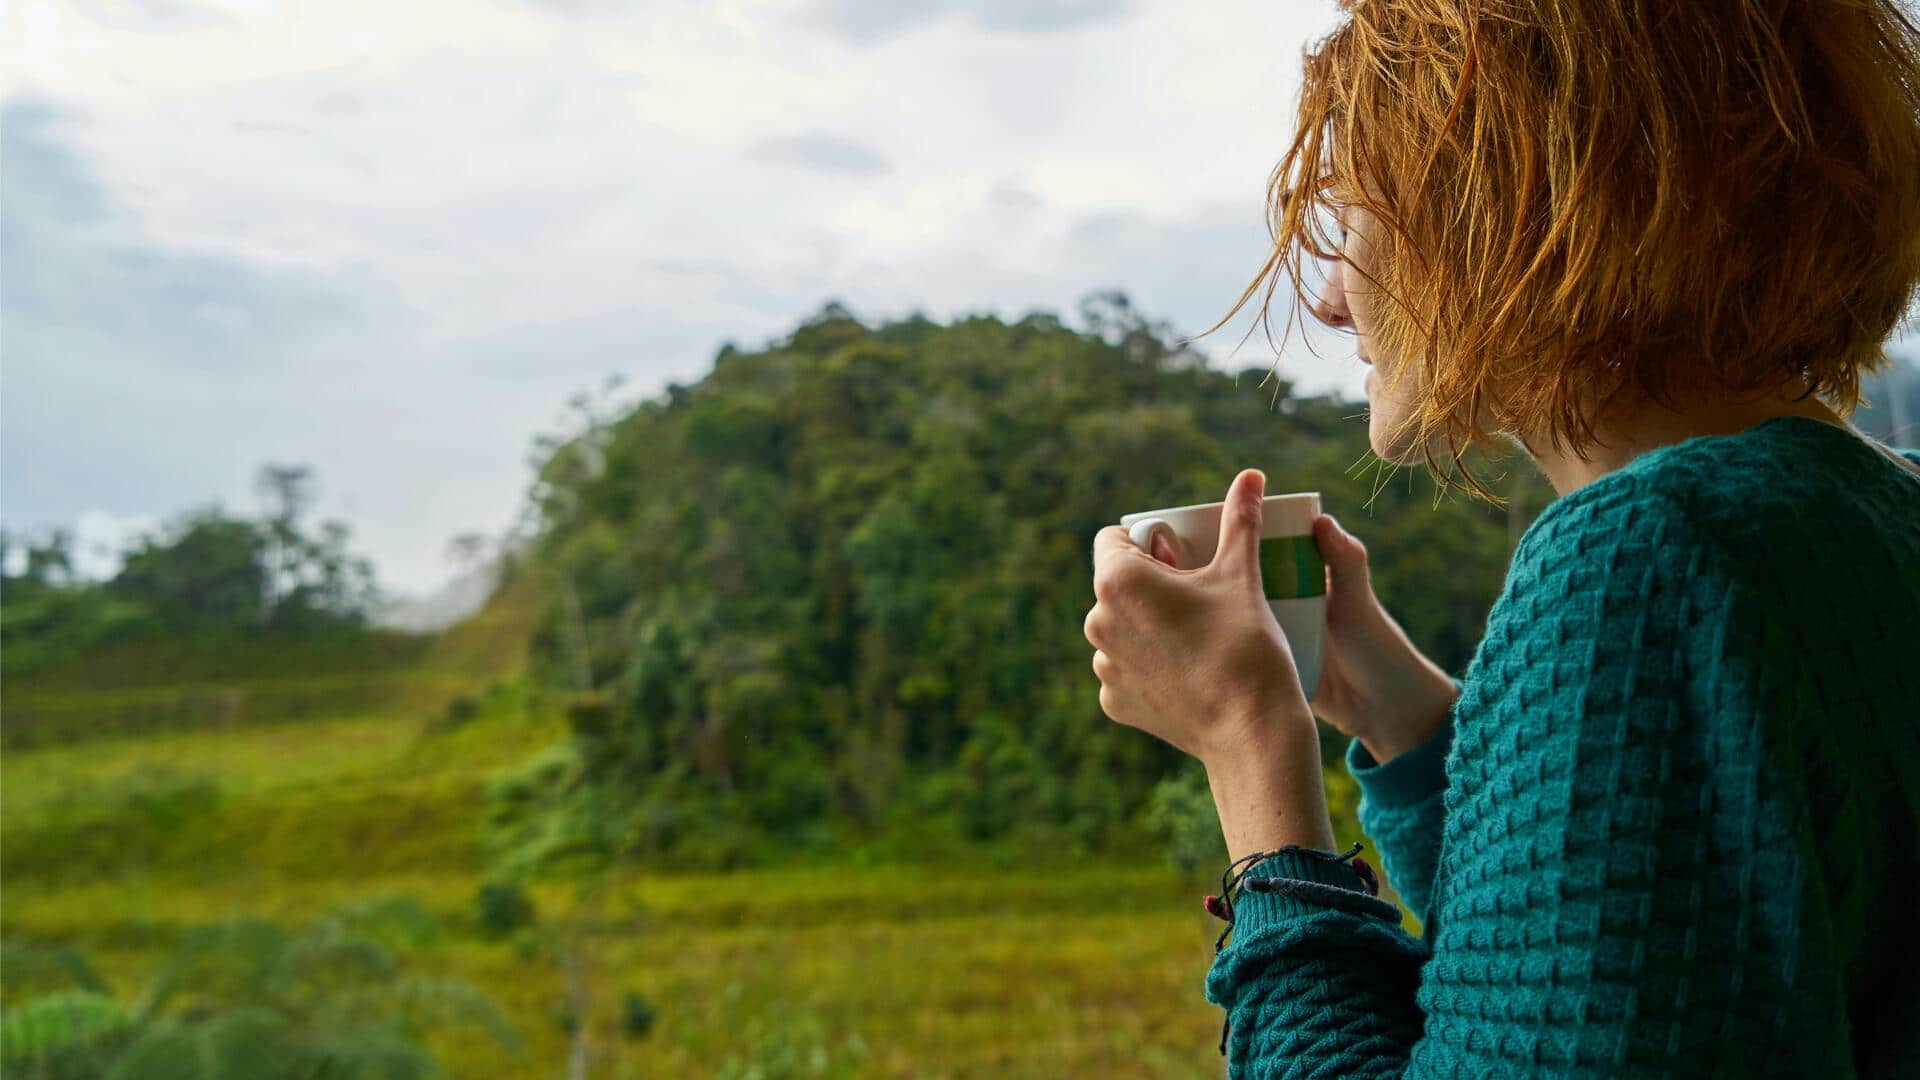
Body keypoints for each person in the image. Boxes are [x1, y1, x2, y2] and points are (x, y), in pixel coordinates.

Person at [1082, 0, 1920, 1074]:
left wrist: (1253, 755)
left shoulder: (1642, 556)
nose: (1334, 302)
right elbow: (1618, 972)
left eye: (1351, 224)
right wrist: (1397, 709)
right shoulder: (1862, 519)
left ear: (1509, 208)